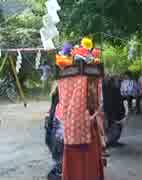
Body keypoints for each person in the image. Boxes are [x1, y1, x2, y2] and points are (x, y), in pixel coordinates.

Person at [57, 38, 106, 180]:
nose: (91, 84)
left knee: (89, 164)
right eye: (89, 82)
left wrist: (93, 115)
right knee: (79, 164)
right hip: (77, 126)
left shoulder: (90, 87)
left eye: (92, 82)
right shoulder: (71, 92)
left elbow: (96, 103)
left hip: (90, 125)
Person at [103, 75, 128, 147]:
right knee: (114, 126)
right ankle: (111, 141)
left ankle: (111, 141)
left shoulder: (109, 89)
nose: (119, 83)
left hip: (112, 111)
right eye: (117, 81)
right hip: (113, 112)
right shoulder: (113, 89)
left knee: (112, 126)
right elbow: (117, 101)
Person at [45, 81, 64, 180]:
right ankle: (58, 171)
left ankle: (58, 170)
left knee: (58, 158)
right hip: (56, 131)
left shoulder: (56, 101)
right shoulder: (59, 104)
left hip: (54, 129)